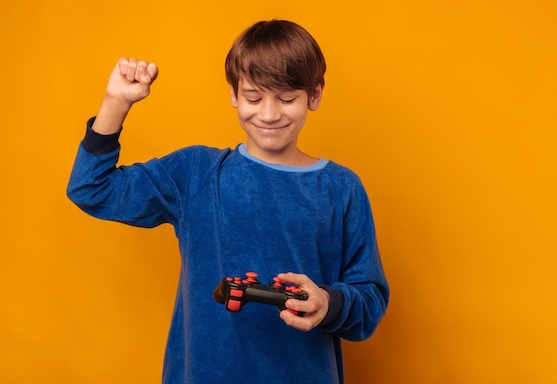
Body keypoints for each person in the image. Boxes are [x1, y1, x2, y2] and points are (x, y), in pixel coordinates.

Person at [67, 19, 389, 384]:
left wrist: (329, 303)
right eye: (253, 98)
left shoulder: (341, 188)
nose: (268, 114)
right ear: (234, 94)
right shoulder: (196, 172)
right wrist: (115, 103)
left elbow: (370, 301)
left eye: (286, 99)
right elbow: (92, 189)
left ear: (314, 95)